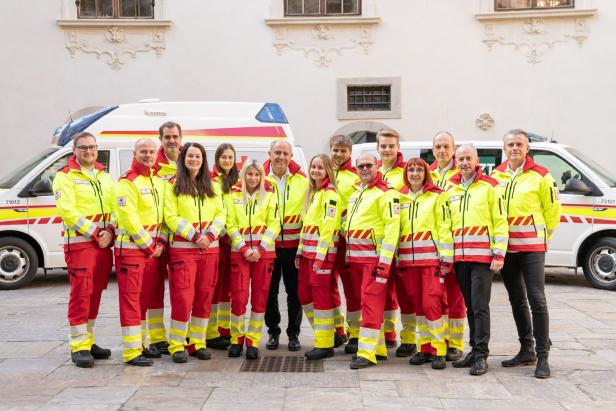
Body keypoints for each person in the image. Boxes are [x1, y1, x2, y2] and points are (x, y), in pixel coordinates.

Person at [491, 129, 561, 379]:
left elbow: (552, 211)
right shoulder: (496, 175)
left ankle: (543, 357)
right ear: (504, 147)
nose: (514, 148)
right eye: (510, 144)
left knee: (537, 299)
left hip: (532, 247)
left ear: (527, 147)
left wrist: (544, 237)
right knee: (516, 299)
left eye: (519, 144)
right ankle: (526, 349)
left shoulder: (541, 176)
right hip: (508, 248)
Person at [444, 144, 508, 376]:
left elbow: (500, 220)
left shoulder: (490, 186)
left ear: (477, 160)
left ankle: (481, 354)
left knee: (480, 307)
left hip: (482, 258)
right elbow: (446, 224)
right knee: (469, 306)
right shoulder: (450, 188)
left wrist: (499, 252)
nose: (464, 163)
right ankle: (473, 350)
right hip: (460, 258)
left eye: (468, 158)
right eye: (460, 159)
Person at [52, 132, 115, 368]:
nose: (88, 151)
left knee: (96, 293)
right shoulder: (64, 177)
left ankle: (88, 341)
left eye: (92, 147)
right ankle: (78, 347)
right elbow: (67, 211)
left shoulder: (104, 175)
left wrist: (109, 230)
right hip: (81, 245)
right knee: (81, 294)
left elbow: (114, 207)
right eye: (83, 148)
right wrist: (96, 232)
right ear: (74, 150)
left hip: (103, 245)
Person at [163, 142, 226, 363]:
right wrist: (194, 236)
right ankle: (177, 344)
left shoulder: (213, 184)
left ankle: (197, 343)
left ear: (203, 159)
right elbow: (170, 216)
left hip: (210, 250)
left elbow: (221, 213)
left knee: (204, 297)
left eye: (198, 156)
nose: (194, 159)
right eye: (190, 156)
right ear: (183, 158)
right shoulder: (172, 185)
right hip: (184, 251)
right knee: (183, 297)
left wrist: (209, 237)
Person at [397, 158, 453, 370]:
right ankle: (425, 347)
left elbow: (444, 227)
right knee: (418, 305)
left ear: (426, 173)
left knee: (432, 304)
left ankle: (439, 349)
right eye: (410, 169)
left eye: (419, 169)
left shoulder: (438, 196)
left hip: (431, 261)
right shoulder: (398, 197)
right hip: (407, 263)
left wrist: (446, 258)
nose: (414, 173)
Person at [115, 138, 167, 366]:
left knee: (145, 299)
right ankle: (131, 351)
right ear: (134, 154)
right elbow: (129, 218)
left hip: (153, 252)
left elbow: (165, 216)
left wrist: (162, 242)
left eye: (151, 151)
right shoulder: (127, 182)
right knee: (131, 300)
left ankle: (141, 344)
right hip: (133, 251)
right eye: (143, 151)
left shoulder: (158, 181)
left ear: (157, 154)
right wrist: (149, 245)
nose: (148, 155)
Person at [347, 154, 400, 369]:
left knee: (370, 304)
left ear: (378, 166)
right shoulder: (356, 193)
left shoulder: (387, 193)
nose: (365, 169)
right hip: (357, 260)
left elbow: (392, 228)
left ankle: (366, 353)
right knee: (367, 304)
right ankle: (377, 349)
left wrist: (384, 262)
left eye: (369, 165)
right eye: (360, 166)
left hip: (373, 260)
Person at [227, 160, 281, 359]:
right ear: (243, 175)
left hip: (263, 254)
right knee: (239, 298)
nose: (253, 178)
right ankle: (236, 339)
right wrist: (242, 247)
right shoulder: (232, 195)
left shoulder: (269, 195)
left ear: (262, 176)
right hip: (239, 253)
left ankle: (252, 341)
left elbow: (275, 224)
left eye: (257, 175)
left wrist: (260, 248)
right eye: (249, 174)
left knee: (260, 299)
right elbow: (229, 223)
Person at [140, 121, 183, 356]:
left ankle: (181, 334)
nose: (172, 141)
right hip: (157, 238)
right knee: (153, 289)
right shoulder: (152, 164)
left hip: (184, 238)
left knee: (182, 290)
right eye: (167, 137)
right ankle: (156, 338)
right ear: (161, 139)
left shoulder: (188, 162)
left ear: (180, 137)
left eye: (175, 136)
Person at [295, 154, 341, 360]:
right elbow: (308, 228)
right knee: (303, 294)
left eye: (320, 167)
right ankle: (330, 334)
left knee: (321, 300)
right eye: (313, 167)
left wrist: (320, 256)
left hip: (320, 257)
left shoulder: (330, 194)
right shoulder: (314, 193)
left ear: (328, 170)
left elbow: (328, 228)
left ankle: (325, 344)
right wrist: (300, 251)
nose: (315, 170)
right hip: (307, 255)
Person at [263, 140, 308, 351]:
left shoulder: (302, 180)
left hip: (293, 246)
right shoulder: (258, 178)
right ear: (269, 154)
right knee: (269, 292)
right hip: (268, 247)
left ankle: (294, 334)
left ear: (291, 156)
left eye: (285, 153)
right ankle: (273, 332)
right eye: (277, 152)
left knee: (294, 292)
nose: (281, 156)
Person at [428, 131, 465, 362]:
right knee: (436, 298)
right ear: (433, 150)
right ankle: (438, 341)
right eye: (438, 146)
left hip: (456, 244)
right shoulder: (427, 174)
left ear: (453, 149)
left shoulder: (460, 173)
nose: (442, 151)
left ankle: (456, 343)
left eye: (446, 147)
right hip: (432, 247)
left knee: (455, 297)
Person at [206, 143, 239, 350]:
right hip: (218, 239)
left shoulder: (237, 181)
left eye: (230, 157)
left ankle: (224, 329)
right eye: (223, 157)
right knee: (214, 287)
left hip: (233, 242)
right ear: (217, 159)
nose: (227, 161)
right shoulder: (211, 180)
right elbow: (214, 210)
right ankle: (210, 331)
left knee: (228, 287)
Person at [329, 135, 360, 352]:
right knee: (328, 285)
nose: (339, 154)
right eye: (335, 150)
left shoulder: (355, 177)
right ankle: (338, 330)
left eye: (343, 150)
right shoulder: (323, 173)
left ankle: (356, 333)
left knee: (352, 288)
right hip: (325, 241)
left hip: (346, 240)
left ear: (350, 153)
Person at [375, 129, 404, 348]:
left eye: (391, 146)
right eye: (383, 146)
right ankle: (386, 333)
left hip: (403, 242)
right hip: (378, 244)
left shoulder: (406, 172)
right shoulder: (372, 172)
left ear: (398, 148)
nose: (387, 150)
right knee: (381, 289)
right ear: (378, 148)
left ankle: (400, 335)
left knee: (400, 292)